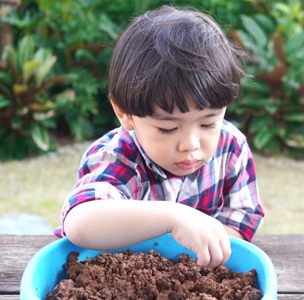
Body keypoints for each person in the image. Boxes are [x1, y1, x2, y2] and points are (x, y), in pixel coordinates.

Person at [58, 5, 264, 267]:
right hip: (115, 273)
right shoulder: (117, 156)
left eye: (209, 123)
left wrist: (204, 253)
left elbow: (243, 218)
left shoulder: (230, 149)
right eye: (168, 128)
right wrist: (174, 217)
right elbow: (79, 222)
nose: (191, 144)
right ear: (125, 114)